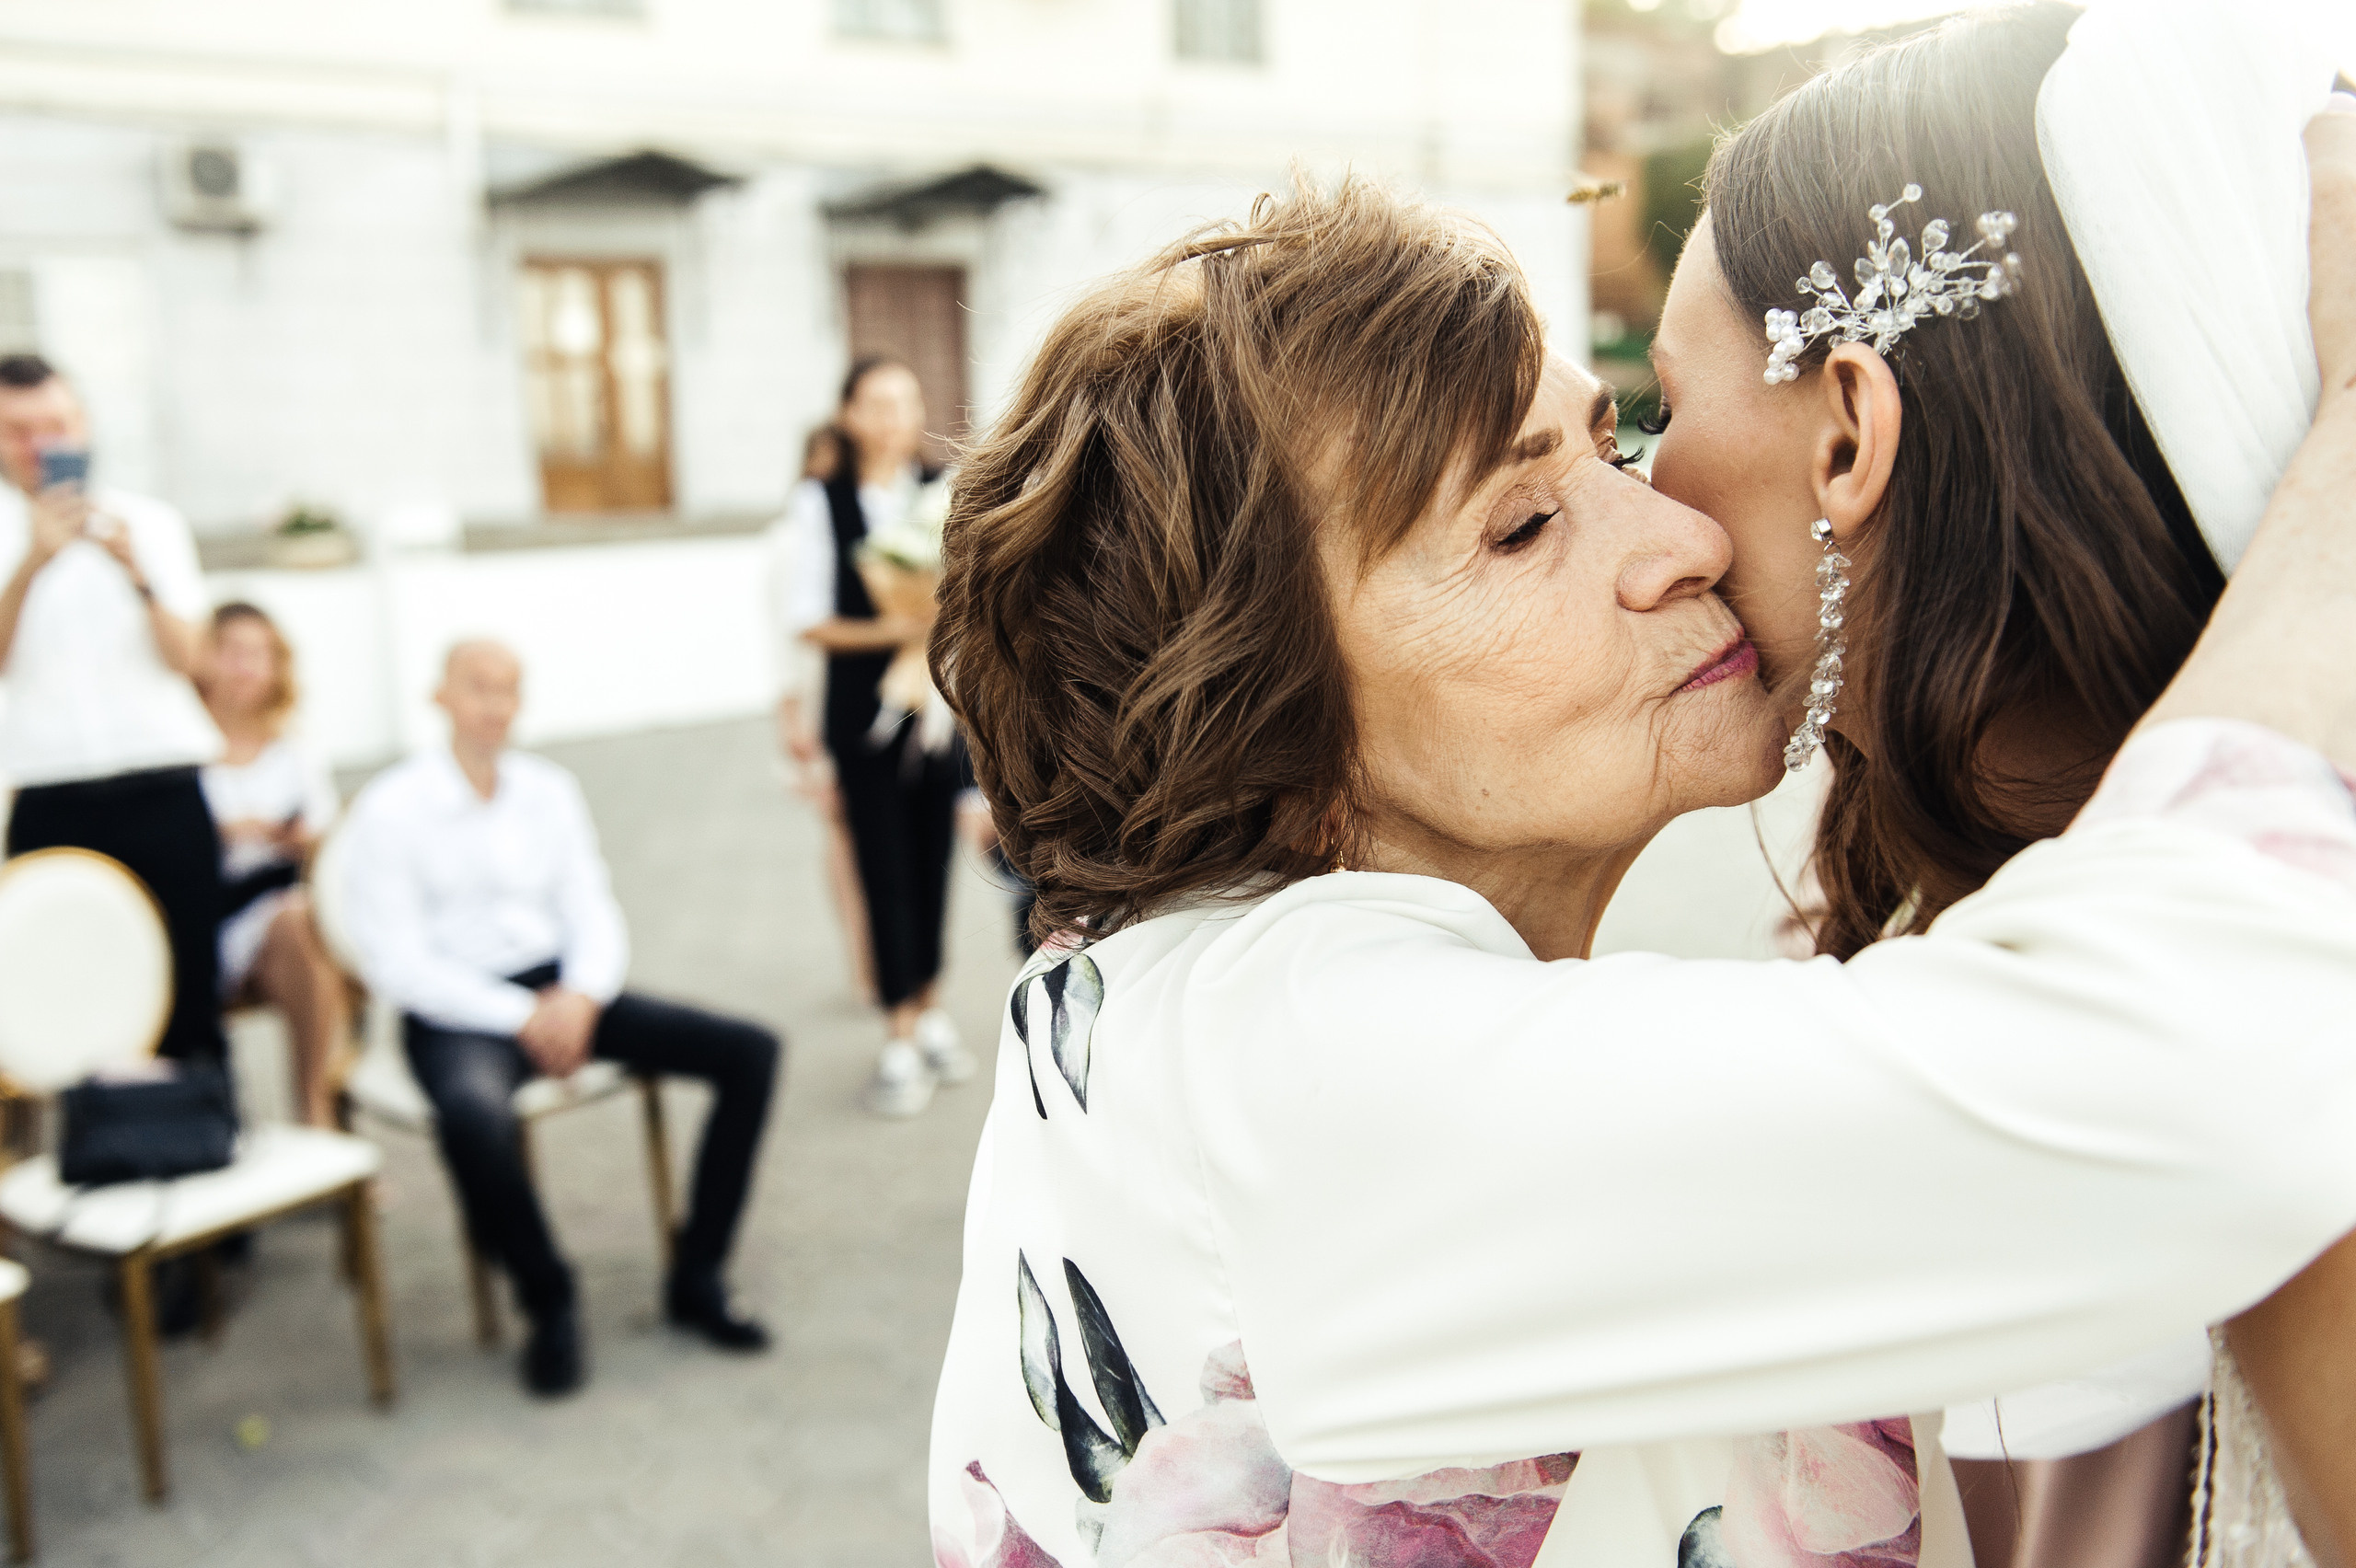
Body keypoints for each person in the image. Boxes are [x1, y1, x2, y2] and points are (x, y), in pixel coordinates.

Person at [921, 163, 2356, 1568]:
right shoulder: (1299, 1064)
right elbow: (2200, 1082)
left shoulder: (1171, 1012)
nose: (1684, 537)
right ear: (1267, 736)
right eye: (1524, 525)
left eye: (1612, 448)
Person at [1641, 4, 2353, 1561]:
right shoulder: (1959, 944)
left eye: (1664, 411)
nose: (1653, 506)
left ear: (1849, 433)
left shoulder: (2283, 1024)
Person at [341, 640, 782, 1397]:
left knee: (749, 1052)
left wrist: (580, 996)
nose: (496, 705)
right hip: (455, 1009)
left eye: (510, 690)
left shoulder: (548, 790)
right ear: (438, 696)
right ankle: (549, 1298)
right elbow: (396, 964)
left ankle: (698, 1274)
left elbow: (591, 906)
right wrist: (524, 1015)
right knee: (473, 1116)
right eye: (479, 687)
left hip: (563, 991)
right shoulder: (391, 808)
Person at [0, 352, 225, 1066]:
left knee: (189, 988)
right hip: (51, 794)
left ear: (84, 427)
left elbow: (190, 660)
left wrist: (139, 575)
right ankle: (97, 1153)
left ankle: (204, 1141)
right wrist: (32, 564)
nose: (42, 445)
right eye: (18, 429)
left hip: (163, 786)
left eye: (56, 425)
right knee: (67, 1000)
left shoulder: (150, 524)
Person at [775, 358, 975, 1117]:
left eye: (906, 399)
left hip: (934, 705)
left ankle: (929, 1007)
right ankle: (897, 1029)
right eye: (877, 402)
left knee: (932, 860)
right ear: (849, 413)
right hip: (862, 714)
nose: (894, 415)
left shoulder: (939, 489)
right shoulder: (818, 503)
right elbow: (810, 620)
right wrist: (895, 626)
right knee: (882, 864)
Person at [196, 602, 351, 1127]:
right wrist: (231, 833)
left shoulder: (294, 749)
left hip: (283, 909)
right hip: (208, 915)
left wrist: (297, 840)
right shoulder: (183, 749)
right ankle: (314, 1111)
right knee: (305, 933)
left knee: (299, 923)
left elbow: (329, 839)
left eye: (258, 654)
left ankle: (311, 1104)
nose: (245, 667)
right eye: (232, 652)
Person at [768, 422, 878, 1004]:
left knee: (857, 832)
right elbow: (784, 639)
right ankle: (863, 959)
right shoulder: (795, 537)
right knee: (843, 831)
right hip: (816, 703)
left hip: (849, 697)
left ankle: (874, 955)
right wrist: (792, 717)